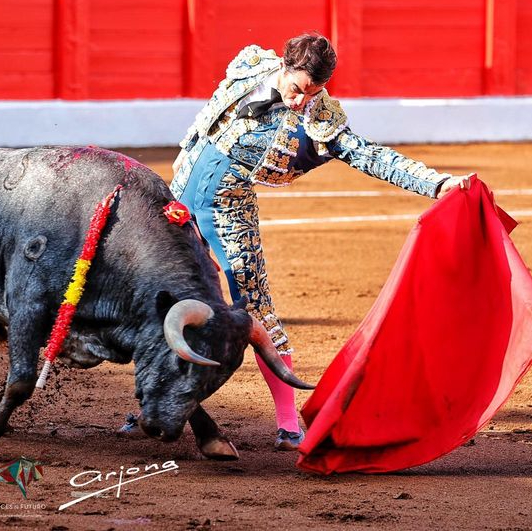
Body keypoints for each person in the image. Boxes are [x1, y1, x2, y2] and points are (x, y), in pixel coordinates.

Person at [166, 33, 471, 451]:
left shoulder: (321, 118)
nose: (300, 102)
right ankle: (155, 400)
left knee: (255, 313)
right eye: (297, 89)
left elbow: (372, 156)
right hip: (178, 198)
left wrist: (437, 183)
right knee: (160, 294)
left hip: (228, 214)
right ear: (285, 68)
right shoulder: (250, 65)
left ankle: (289, 424)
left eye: (313, 93)